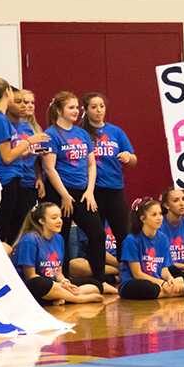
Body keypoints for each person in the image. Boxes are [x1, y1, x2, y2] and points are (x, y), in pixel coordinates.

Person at [41, 91, 112, 293]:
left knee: (97, 234)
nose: (76, 111)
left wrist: (90, 191)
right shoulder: (52, 134)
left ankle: (99, 280)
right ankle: (62, 282)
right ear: (59, 110)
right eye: (71, 107)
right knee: (60, 236)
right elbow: (49, 168)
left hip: (83, 192)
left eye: (77, 107)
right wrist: (64, 195)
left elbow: (91, 164)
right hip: (60, 193)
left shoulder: (81, 134)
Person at [0, 78, 48, 244]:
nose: (23, 103)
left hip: (12, 177)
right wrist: (29, 141)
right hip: (6, 178)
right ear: (7, 93)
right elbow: (7, 156)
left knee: (12, 226)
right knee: (2, 227)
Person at [80, 92, 136, 259]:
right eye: (94, 107)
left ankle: (124, 271)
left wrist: (128, 157)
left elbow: (133, 159)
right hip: (91, 190)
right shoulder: (80, 132)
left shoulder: (116, 132)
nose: (98, 110)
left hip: (114, 188)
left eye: (102, 106)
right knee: (96, 235)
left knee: (123, 233)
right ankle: (100, 275)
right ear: (86, 109)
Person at [12, 203, 103, 304]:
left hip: (54, 285)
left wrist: (64, 281)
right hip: (33, 286)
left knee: (95, 284)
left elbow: (58, 272)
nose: (59, 221)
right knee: (39, 284)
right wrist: (58, 285)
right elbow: (30, 277)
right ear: (41, 220)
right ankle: (77, 299)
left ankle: (61, 297)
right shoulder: (30, 240)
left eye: (60, 217)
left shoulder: (59, 239)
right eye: (54, 218)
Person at [120, 197, 184, 299]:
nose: (159, 218)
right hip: (134, 282)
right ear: (143, 219)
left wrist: (170, 279)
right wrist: (162, 283)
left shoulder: (163, 238)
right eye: (154, 215)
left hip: (157, 282)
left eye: (160, 214)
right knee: (148, 288)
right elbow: (137, 274)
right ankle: (171, 292)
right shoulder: (131, 240)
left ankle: (166, 292)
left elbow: (163, 269)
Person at [13, 88, 47, 234]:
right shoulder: (12, 126)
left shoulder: (35, 128)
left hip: (30, 181)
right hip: (16, 180)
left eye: (32, 102)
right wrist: (25, 150)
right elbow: (8, 154)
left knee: (27, 223)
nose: (29, 105)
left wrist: (39, 177)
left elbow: (36, 160)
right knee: (15, 223)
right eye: (24, 102)